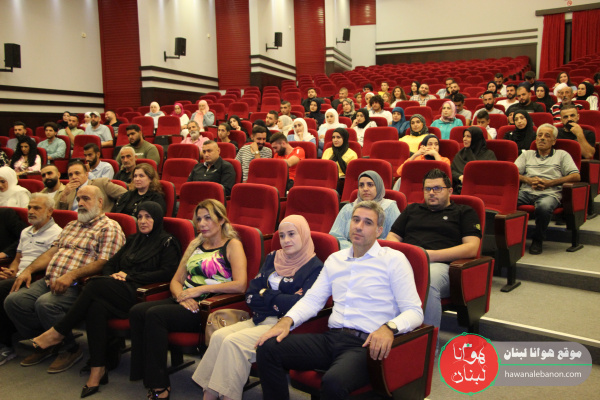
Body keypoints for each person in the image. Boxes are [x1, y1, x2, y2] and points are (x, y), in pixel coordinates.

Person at [256, 200, 423, 400]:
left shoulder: (394, 260)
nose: (359, 226)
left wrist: (389, 328)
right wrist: (286, 321)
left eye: (368, 222)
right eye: (355, 220)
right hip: (332, 338)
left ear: (379, 231)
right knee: (268, 349)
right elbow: (313, 300)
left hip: (365, 346)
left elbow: (415, 311)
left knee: (333, 382)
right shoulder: (335, 259)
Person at [29, 202, 181, 397]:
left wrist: (129, 276)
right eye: (140, 217)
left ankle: (59, 331)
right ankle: (97, 369)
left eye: (148, 217)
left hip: (143, 296)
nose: (143, 221)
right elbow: (110, 264)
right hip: (119, 289)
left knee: (93, 285)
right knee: (96, 307)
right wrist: (113, 275)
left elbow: (167, 272)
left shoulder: (168, 242)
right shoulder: (134, 240)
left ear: (157, 218)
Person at [192, 215, 324, 400]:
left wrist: (266, 294)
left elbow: (298, 304)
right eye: (282, 235)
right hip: (259, 318)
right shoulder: (273, 257)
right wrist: (277, 299)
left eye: (292, 234)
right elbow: (251, 295)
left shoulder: (315, 268)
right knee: (219, 337)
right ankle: (209, 397)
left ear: (303, 234)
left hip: (285, 326)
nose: (286, 240)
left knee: (233, 343)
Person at [129, 199, 247, 399]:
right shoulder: (196, 245)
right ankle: (144, 372)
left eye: (208, 218)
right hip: (186, 301)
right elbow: (176, 280)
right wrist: (181, 297)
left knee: (155, 315)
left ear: (221, 220)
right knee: (137, 311)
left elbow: (240, 284)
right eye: (199, 219)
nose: (202, 224)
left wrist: (199, 290)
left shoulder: (232, 245)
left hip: (208, 308)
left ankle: (159, 385)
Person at [4, 185, 125, 373]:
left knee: (46, 304)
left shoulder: (109, 227)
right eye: (79, 199)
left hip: (79, 285)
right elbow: (51, 252)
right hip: (50, 278)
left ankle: (70, 349)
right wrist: (29, 269)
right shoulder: (71, 225)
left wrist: (71, 275)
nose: (81, 203)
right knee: (14, 301)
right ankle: (46, 343)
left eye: (86, 199)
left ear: (100, 202)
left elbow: (105, 262)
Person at [386, 168, 481, 329]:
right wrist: (409, 255)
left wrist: (430, 256)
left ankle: (427, 342)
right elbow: (392, 237)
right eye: (427, 189)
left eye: (437, 188)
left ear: (450, 191)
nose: (431, 193)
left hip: (442, 266)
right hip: (409, 262)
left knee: (427, 282)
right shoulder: (412, 210)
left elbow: (472, 247)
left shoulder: (464, 212)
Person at [0, 194, 62, 365]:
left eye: (36, 208)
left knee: (1, 291)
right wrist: (12, 270)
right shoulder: (26, 232)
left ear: (49, 212)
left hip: (36, 277)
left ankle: (5, 346)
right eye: (29, 207)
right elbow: (18, 258)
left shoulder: (57, 233)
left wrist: (23, 273)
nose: (31, 211)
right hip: (19, 274)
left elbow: (50, 262)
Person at [516, 124, 580, 254]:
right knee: (507, 203)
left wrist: (550, 183)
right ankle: (512, 239)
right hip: (526, 191)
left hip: (550, 193)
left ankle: (537, 240)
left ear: (554, 141)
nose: (542, 138)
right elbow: (512, 173)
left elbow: (575, 176)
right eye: (539, 135)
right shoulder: (527, 154)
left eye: (547, 136)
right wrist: (528, 180)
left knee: (544, 207)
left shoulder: (562, 155)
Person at [330, 170, 400, 250]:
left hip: (379, 253)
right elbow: (335, 236)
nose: (365, 189)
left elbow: (394, 238)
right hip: (348, 252)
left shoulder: (390, 207)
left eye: (370, 185)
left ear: (378, 186)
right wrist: (354, 249)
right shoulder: (348, 208)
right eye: (361, 185)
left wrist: (367, 249)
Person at [57, 160, 127, 212]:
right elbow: (61, 214)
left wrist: (115, 211)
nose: (73, 177)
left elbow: (126, 195)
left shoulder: (101, 183)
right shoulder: (68, 191)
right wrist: (64, 195)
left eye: (77, 173)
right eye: (70, 175)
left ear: (86, 174)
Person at [451, 127, 497, 193]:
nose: (464, 139)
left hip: (482, 190)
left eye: (468, 136)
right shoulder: (460, 154)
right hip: (461, 189)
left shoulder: (489, 155)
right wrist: (459, 177)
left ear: (476, 138)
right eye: (464, 136)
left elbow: (492, 174)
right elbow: (451, 170)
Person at [322, 128, 358, 195]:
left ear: (345, 139)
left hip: (341, 183)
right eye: (333, 137)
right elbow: (322, 168)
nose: (335, 140)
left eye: (338, 137)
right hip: (326, 179)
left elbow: (351, 175)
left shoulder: (352, 154)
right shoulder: (327, 151)